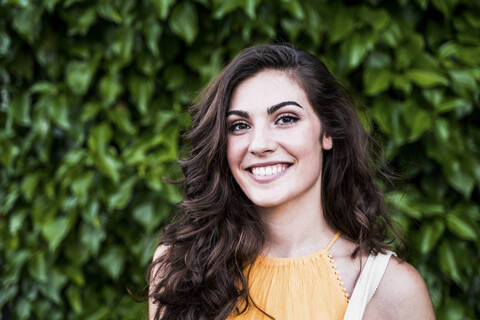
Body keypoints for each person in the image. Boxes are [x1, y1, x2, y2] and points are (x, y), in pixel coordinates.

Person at [147, 43, 435, 320]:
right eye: (239, 126)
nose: (259, 144)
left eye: (285, 119)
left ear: (327, 133)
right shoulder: (179, 267)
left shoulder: (391, 289)